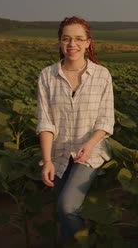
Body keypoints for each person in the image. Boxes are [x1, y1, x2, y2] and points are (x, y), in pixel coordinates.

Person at [36, 16, 114, 243]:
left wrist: (89, 145)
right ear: (59, 42)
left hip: (90, 153)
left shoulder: (102, 75)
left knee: (67, 205)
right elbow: (45, 122)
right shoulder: (47, 76)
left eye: (79, 39)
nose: (73, 44)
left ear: (89, 42)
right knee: (63, 213)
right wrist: (47, 160)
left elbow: (106, 120)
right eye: (66, 39)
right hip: (58, 153)